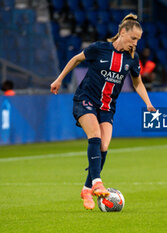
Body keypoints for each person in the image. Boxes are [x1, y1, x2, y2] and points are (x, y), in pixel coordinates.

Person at [50, 14, 156, 210]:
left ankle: (86, 189)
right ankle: (97, 181)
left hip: (107, 107)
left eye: (138, 40)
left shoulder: (131, 58)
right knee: (95, 136)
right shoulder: (99, 48)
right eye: (133, 38)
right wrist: (59, 79)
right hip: (85, 100)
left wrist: (148, 103)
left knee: (104, 147)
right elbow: (75, 59)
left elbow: (137, 82)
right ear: (122, 32)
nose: (135, 43)